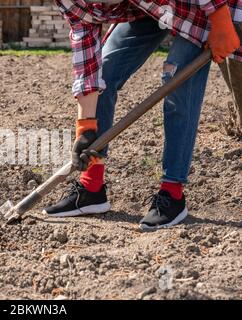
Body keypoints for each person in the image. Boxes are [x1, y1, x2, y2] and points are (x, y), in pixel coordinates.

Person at [43, 0, 241, 230]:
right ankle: (91, 188)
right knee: (103, 74)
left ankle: (172, 195)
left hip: (199, 8)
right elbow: (88, 61)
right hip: (147, 9)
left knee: (177, 78)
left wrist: (220, 20)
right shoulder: (70, 2)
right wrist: (85, 127)